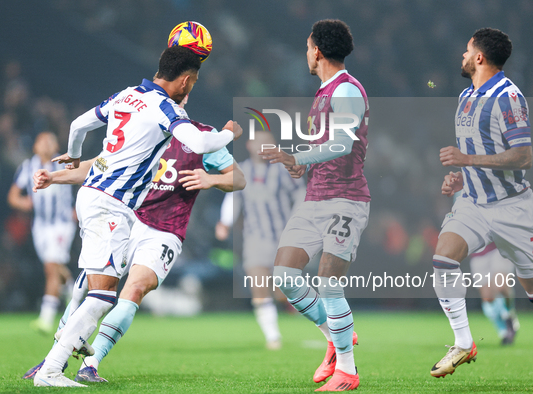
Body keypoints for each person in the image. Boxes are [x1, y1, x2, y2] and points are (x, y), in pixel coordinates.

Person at [33, 46, 242, 387]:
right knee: (101, 296)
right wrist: (230, 132)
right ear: (186, 81)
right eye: (194, 82)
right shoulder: (165, 109)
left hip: (102, 199)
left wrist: (73, 153)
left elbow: (78, 125)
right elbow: (201, 144)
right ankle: (51, 369)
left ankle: (74, 343)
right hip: (111, 205)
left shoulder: (126, 96)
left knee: (97, 286)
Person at [260, 19, 369, 391]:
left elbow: (342, 144)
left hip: (346, 199)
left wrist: (300, 157)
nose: (306, 54)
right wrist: (300, 162)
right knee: (285, 276)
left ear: (317, 51)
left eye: (308, 47)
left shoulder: (348, 90)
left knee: (329, 285)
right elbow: (327, 146)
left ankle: (348, 372)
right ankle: (334, 337)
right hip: (315, 198)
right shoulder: (324, 92)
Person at [431, 27, 532, 378]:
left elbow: (523, 155)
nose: (462, 55)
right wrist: (462, 176)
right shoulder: (466, 96)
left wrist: (468, 161)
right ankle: (463, 343)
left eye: (466, 49)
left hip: (513, 207)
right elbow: (477, 153)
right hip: (473, 203)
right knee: (443, 258)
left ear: (479, 57)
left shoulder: (508, 97)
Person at [215, 131, 305, 350]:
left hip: (284, 237)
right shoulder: (242, 169)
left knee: (281, 290)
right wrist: (225, 222)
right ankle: (273, 337)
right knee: (259, 284)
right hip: (255, 238)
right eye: (260, 143)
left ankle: (290, 304)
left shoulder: (284, 170)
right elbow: (233, 197)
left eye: (269, 144)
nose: (264, 147)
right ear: (249, 145)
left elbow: (301, 195)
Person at [7, 131, 76, 335]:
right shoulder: (28, 167)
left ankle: (46, 318)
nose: (46, 144)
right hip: (40, 226)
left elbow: (84, 183)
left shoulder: (64, 164)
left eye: (50, 141)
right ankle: (73, 293)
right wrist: (23, 202)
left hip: (62, 224)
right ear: (35, 146)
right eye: (42, 141)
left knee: (50, 268)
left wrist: (79, 208)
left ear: (56, 146)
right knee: (55, 267)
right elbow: (13, 196)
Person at [469, 242, 519, 345]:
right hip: (477, 254)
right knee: (488, 298)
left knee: (501, 286)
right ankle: (504, 330)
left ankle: (509, 315)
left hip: (499, 247)